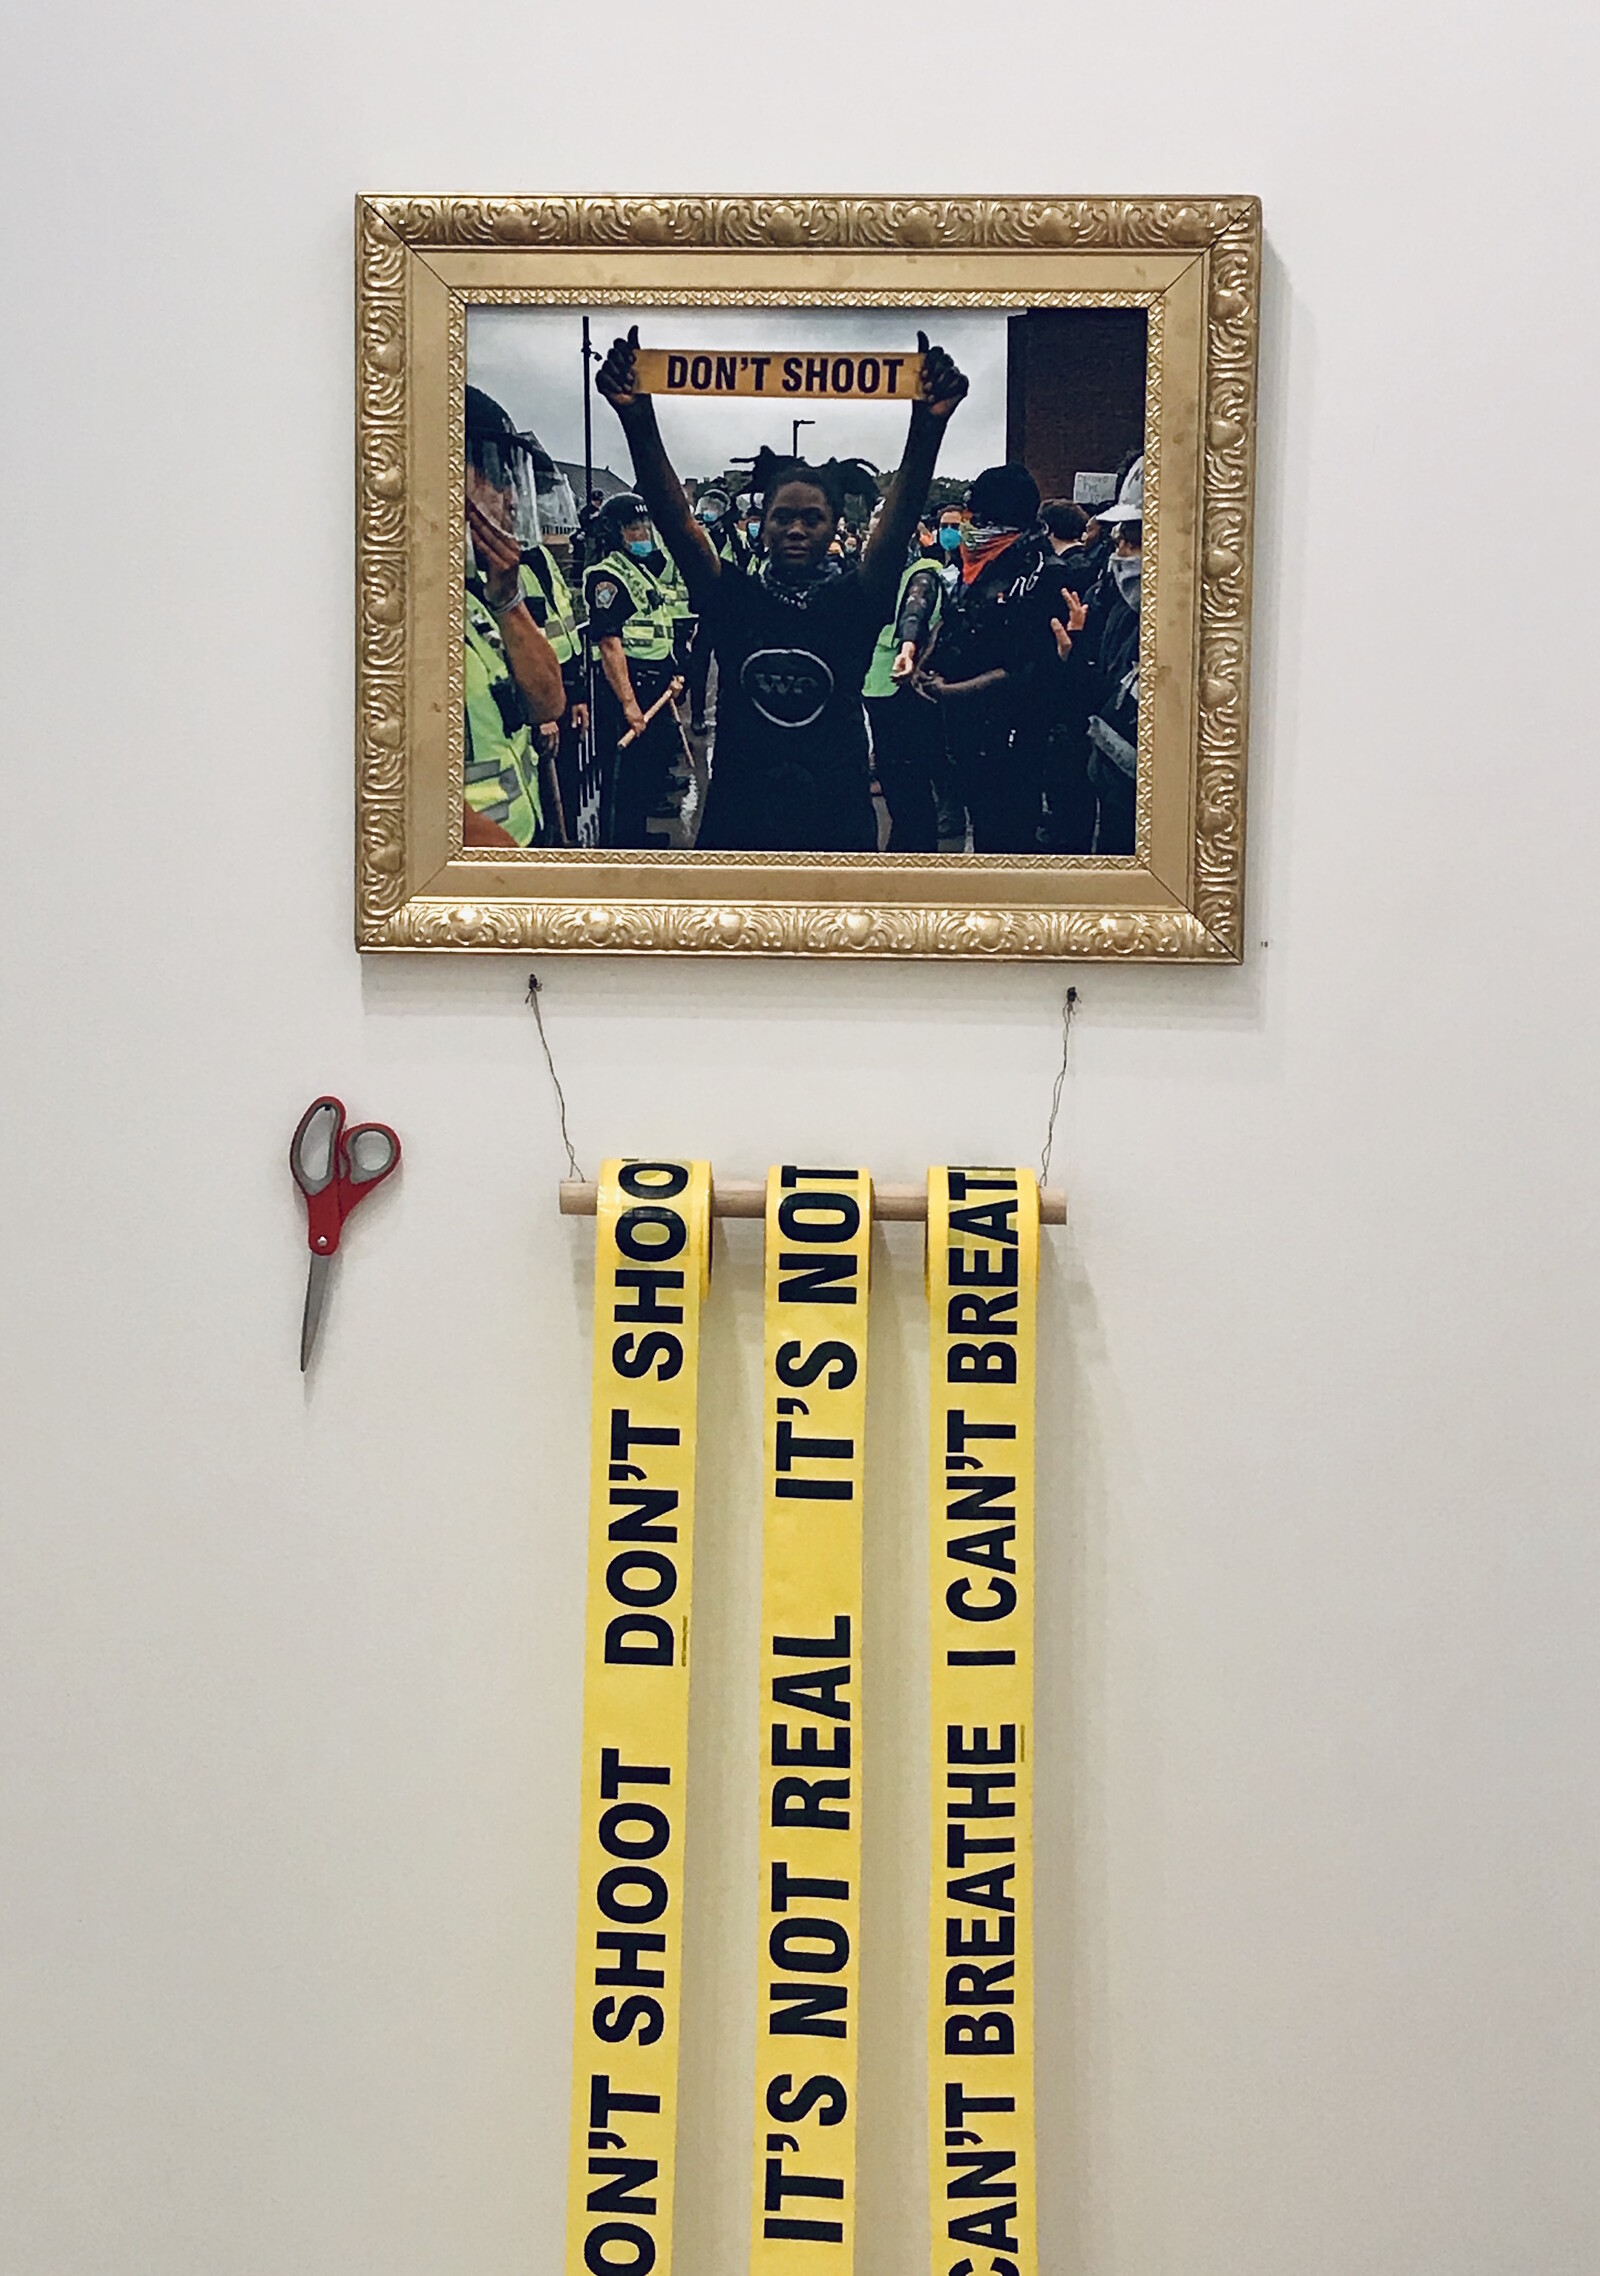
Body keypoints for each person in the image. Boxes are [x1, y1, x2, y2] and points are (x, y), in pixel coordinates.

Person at [595, 325, 968, 852]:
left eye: (812, 518)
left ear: (834, 526)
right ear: (763, 524)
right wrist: (637, 418)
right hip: (740, 829)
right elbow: (676, 521)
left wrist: (927, 427)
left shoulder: (855, 602)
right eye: (783, 517)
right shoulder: (734, 599)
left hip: (836, 830)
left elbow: (899, 520)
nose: (796, 529)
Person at [913, 463, 1081, 854]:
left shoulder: (1045, 576)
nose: (968, 527)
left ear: (999, 520)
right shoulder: (979, 564)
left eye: (976, 518)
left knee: (1004, 841)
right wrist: (924, 662)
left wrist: (950, 691)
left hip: (1012, 740)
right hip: (967, 735)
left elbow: (1031, 668)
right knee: (980, 828)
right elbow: (956, 617)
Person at [462, 386, 566, 849]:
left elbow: (547, 703)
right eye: (496, 475)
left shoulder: (476, 599)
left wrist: (506, 601)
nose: (513, 500)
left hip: (523, 841)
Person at [582, 492, 684, 847]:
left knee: (644, 767)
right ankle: (620, 845)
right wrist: (628, 702)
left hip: (653, 682)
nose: (643, 534)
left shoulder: (640, 570)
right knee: (623, 773)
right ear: (614, 533)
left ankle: (637, 835)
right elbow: (609, 644)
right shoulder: (607, 577)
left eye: (645, 526)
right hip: (629, 684)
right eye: (633, 528)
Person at [1055, 458, 1143, 854]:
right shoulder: (1117, 602)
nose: (1121, 553)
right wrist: (1075, 651)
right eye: (1121, 540)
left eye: (1134, 541)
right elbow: (1102, 689)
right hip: (1114, 779)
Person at [862, 542, 944, 851]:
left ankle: (916, 855)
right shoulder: (881, 574)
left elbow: (915, 610)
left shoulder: (922, 574)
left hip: (904, 684)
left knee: (909, 779)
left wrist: (908, 647)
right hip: (878, 684)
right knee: (892, 774)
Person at [516, 532, 588, 843]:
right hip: (536, 700)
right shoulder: (504, 567)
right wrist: (541, 712)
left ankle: (568, 841)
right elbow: (519, 647)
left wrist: (578, 693)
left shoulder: (542, 556)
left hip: (562, 687)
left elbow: (566, 629)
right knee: (542, 785)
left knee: (567, 775)